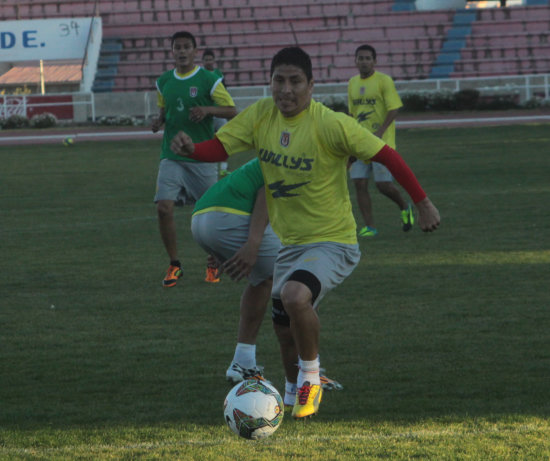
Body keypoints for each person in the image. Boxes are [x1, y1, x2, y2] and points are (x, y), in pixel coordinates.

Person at [170, 46, 440, 419]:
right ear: (270, 83)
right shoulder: (262, 115)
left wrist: (423, 202)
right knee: (283, 328)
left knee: (296, 297)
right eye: (279, 80)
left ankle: (312, 377)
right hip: (290, 244)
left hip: (334, 241)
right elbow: (220, 147)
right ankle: (293, 391)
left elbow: (385, 155)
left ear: (311, 86)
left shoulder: (330, 124)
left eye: (295, 81)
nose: (286, 89)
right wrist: (192, 148)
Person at [191, 158, 343, 404]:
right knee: (299, 286)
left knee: (264, 280)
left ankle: (243, 362)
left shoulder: (283, 146)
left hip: (203, 217)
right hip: (231, 216)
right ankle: (308, 375)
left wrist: (219, 241)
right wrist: (252, 243)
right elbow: (268, 191)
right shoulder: (306, 153)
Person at [151, 31, 237, 287]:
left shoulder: (209, 79)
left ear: (195, 51)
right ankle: (174, 264)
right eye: (177, 47)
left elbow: (232, 111)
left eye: (186, 47)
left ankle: (214, 261)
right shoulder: (163, 81)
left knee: (210, 214)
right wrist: (159, 121)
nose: (181, 51)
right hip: (172, 154)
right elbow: (165, 112)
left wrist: (208, 110)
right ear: (172, 51)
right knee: (163, 207)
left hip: (201, 156)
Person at [347, 44, 414, 237]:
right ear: (356, 61)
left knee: (383, 185)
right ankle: (370, 227)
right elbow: (352, 113)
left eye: (368, 58)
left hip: (380, 143)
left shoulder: (384, 81)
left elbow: (394, 108)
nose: (364, 61)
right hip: (359, 142)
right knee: (359, 183)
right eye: (361, 58)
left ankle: (404, 207)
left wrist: (381, 131)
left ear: (375, 61)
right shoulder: (352, 83)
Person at [202, 48, 230, 178]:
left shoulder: (219, 75)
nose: (208, 61)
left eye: (210, 59)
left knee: (226, 138)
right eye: (206, 59)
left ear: (214, 60)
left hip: (218, 113)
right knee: (205, 142)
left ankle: (223, 169)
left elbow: (224, 93)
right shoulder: (200, 75)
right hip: (206, 115)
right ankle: (205, 168)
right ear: (203, 61)